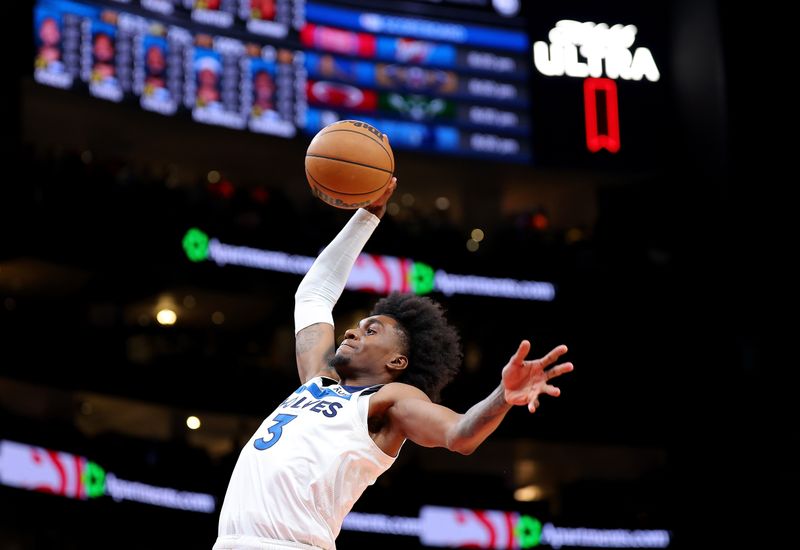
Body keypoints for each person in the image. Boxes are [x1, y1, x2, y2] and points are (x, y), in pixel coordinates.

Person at [213, 176, 574, 550]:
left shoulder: (389, 401)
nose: (351, 332)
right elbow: (314, 293)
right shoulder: (317, 380)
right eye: (358, 326)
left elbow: (459, 434)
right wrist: (366, 216)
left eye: (371, 331)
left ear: (398, 361)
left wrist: (503, 395)